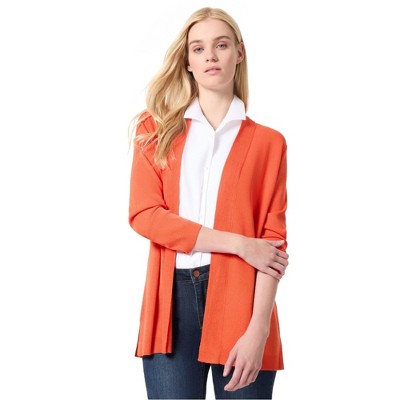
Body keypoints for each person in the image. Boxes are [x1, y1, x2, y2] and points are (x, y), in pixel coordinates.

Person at [128, 7, 289, 399]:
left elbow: (272, 246)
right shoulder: (154, 131)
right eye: (198, 49)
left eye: (221, 45)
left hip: (242, 301)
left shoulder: (269, 143)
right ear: (187, 61)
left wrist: (258, 332)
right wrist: (239, 243)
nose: (210, 56)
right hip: (171, 302)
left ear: (239, 53)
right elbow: (145, 216)